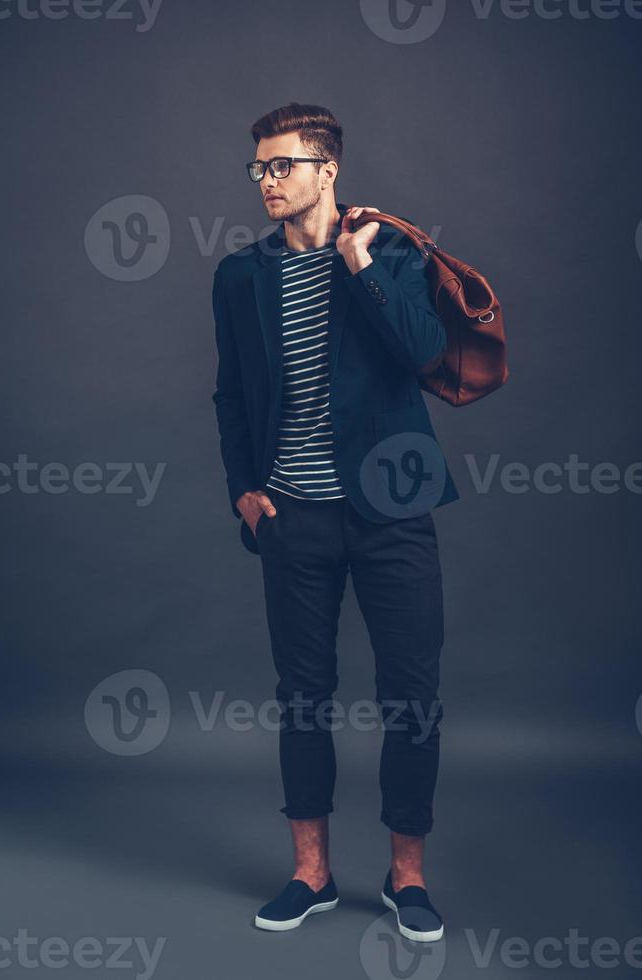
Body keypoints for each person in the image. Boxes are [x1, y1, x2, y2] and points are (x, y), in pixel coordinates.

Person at [211, 102, 459, 941]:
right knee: (303, 699)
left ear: (328, 171)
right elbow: (230, 392)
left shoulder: (389, 249)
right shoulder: (240, 277)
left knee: (413, 699)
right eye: (259, 169)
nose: (268, 182)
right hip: (295, 517)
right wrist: (244, 487)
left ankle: (406, 877)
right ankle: (310, 874)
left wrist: (362, 268)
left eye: (283, 165)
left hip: (394, 510)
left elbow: (425, 354)